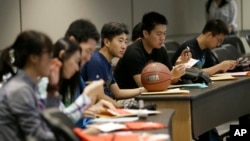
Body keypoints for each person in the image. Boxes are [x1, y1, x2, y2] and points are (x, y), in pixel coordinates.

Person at [114, 11, 188, 90]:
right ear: (145, 33)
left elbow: (171, 81)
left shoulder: (161, 50)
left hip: (150, 95)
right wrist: (171, 75)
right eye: (159, 34)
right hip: (130, 97)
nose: (162, 38)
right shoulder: (133, 52)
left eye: (164, 33)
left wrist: (178, 70)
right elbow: (144, 86)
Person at [81, 22, 146, 100]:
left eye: (125, 42)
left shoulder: (107, 62)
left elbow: (117, 93)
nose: (124, 46)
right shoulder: (96, 61)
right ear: (107, 42)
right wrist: (118, 107)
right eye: (120, 41)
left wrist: (143, 89)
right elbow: (98, 96)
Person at [64, 19, 120, 107]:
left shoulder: (77, 76)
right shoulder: (53, 78)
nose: (88, 58)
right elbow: (61, 117)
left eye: (91, 52)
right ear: (72, 42)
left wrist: (94, 109)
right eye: (87, 51)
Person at [172, 19, 236, 76]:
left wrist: (224, 68)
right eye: (219, 40)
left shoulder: (206, 48)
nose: (219, 44)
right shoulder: (189, 48)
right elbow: (193, 73)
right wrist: (220, 66)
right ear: (209, 35)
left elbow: (211, 68)